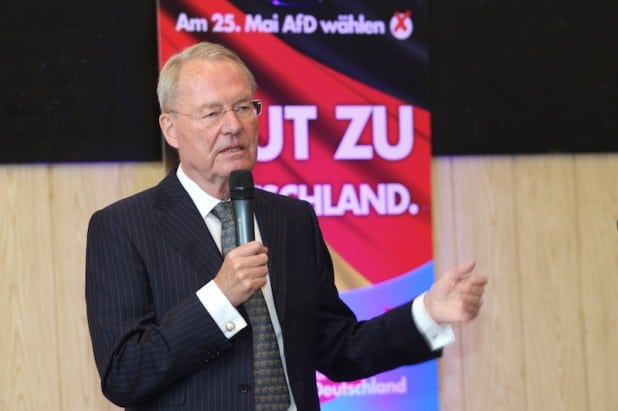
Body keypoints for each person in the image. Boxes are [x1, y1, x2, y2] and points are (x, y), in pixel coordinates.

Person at [85, 41, 488, 411]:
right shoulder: (122, 228)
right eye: (212, 113)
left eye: (244, 107)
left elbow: (337, 348)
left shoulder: (292, 220)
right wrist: (219, 297)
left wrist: (427, 313)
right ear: (170, 127)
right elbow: (124, 375)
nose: (233, 125)